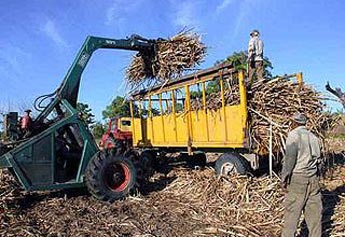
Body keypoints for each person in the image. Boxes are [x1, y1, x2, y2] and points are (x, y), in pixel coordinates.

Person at [281, 112, 322, 237]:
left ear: (295, 122)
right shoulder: (314, 137)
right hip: (313, 179)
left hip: (298, 179)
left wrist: (284, 178)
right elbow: (319, 160)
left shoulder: (293, 136)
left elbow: (290, 160)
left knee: (292, 214)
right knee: (314, 216)